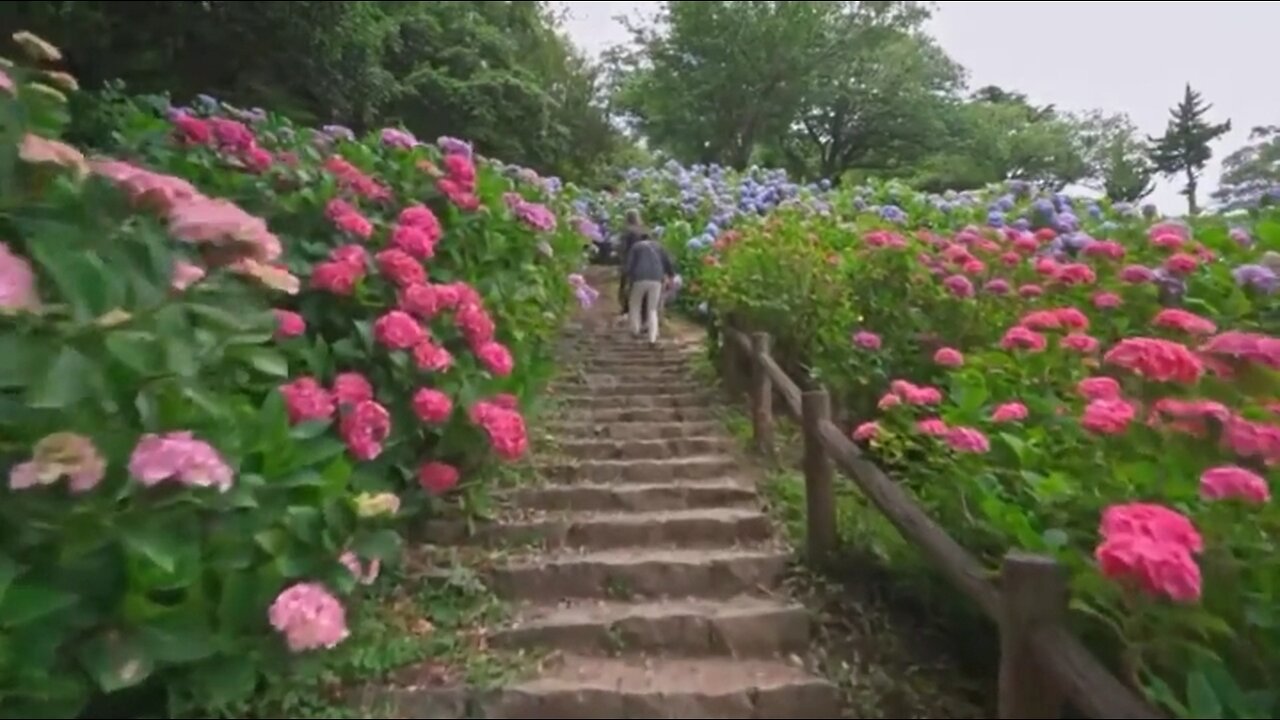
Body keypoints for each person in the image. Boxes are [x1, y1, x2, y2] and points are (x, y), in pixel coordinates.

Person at [623, 234, 676, 346]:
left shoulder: (636, 247)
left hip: (639, 278)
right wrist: (671, 277)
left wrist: (627, 278)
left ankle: (635, 330)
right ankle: (652, 337)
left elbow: (629, 265)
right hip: (656, 279)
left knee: (635, 304)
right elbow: (667, 263)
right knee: (652, 309)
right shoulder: (659, 247)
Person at [615, 209, 649, 319]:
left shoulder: (627, 231)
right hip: (643, 261)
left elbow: (622, 248)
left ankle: (626, 308)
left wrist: (621, 259)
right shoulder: (644, 231)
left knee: (627, 285)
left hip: (629, 260)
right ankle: (642, 310)